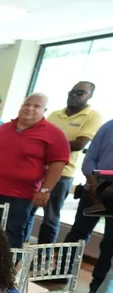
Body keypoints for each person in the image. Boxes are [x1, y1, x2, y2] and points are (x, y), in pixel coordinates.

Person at [0, 93, 70, 248]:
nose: (29, 108)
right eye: (26, 104)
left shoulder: (53, 133)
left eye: (36, 106)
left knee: (10, 234)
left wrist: (45, 190)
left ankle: (8, 269)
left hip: (19, 195)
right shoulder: (3, 128)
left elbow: (58, 163)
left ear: (44, 110)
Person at [28, 82, 102, 245]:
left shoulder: (92, 116)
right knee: (27, 213)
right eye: (71, 92)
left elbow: (79, 144)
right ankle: (20, 253)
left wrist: (48, 144)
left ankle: (43, 260)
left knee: (50, 219)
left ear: (90, 96)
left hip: (63, 175)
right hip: (40, 171)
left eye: (80, 93)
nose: (74, 96)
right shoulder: (55, 114)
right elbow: (38, 137)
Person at [64, 118, 113, 293]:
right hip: (95, 185)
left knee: (110, 243)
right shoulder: (109, 126)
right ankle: (62, 271)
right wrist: (94, 185)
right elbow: (90, 156)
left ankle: (96, 289)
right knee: (78, 232)